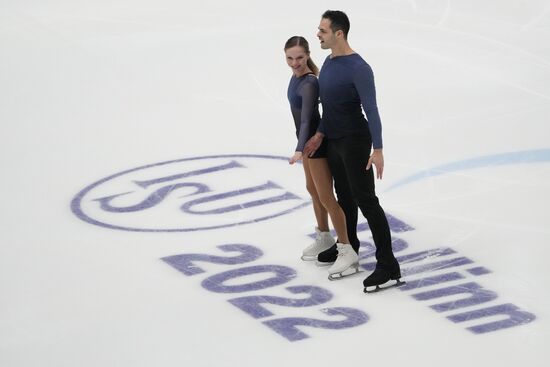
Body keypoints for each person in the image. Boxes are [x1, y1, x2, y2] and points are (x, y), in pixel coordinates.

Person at [304, 10, 403, 290]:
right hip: (334, 140)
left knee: (366, 201)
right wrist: (321, 133)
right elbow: (330, 107)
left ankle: (388, 265)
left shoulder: (359, 68)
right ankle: (349, 248)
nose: (318, 35)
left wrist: (378, 148)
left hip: (355, 142)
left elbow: (371, 109)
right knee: (344, 198)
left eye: (323, 31)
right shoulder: (329, 61)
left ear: (339, 34)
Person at [284, 36, 359, 279]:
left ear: (307, 55)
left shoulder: (309, 83)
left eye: (299, 58)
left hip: (316, 144)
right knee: (313, 190)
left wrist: (299, 147)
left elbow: (307, 119)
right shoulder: (295, 78)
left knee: (326, 196)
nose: (295, 62)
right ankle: (324, 236)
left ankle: (347, 249)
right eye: (290, 58)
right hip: (307, 144)